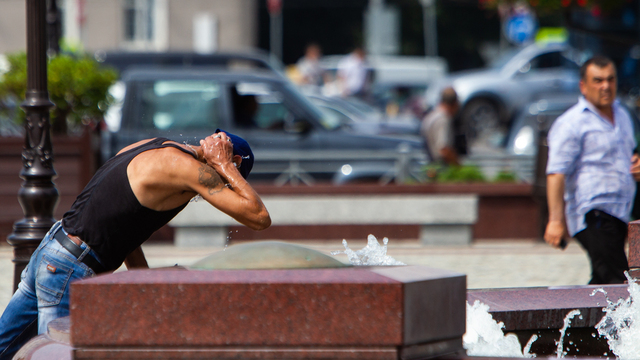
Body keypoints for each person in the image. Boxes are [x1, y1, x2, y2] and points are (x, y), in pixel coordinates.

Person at [0, 130, 271, 358]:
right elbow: (259, 217)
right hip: (68, 267)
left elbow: (119, 218)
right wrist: (224, 166)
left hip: (52, 251)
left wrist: (142, 280)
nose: (223, 188)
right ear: (232, 160)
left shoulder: (153, 145)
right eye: (229, 183)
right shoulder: (191, 169)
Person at [544, 55, 640, 284]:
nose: (605, 86)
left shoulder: (623, 115)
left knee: (603, 280)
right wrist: (555, 221)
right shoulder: (572, 123)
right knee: (617, 280)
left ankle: (579, 319)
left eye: (610, 79)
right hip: (592, 212)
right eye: (597, 80)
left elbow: (631, 154)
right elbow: (556, 172)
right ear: (583, 86)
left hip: (620, 211)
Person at [420, 87, 460, 166]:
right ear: (455, 104)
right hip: (440, 167)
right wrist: (458, 165)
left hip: (430, 165)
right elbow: (444, 149)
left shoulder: (430, 116)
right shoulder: (443, 119)